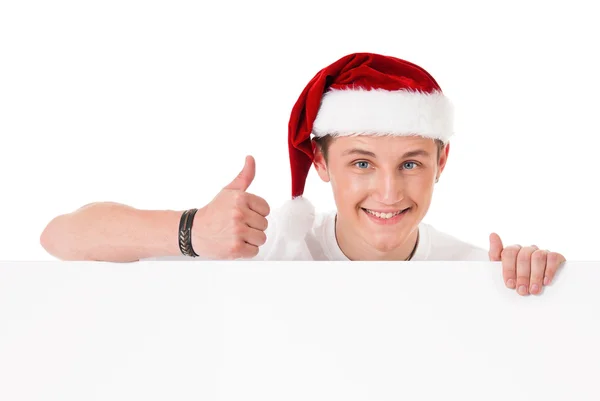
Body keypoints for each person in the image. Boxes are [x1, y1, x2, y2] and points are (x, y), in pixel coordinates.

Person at [39, 52, 566, 296]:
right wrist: (193, 231)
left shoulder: (474, 274)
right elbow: (61, 236)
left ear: (442, 162)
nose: (389, 191)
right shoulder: (267, 255)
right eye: (361, 163)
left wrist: (539, 277)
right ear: (320, 162)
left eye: (411, 163)